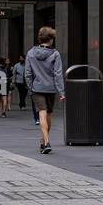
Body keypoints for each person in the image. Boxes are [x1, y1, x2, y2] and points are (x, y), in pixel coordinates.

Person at [25, 26, 66, 155]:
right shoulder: (55, 54)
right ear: (51, 40)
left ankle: (45, 141)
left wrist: (31, 87)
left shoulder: (31, 53)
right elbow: (58, 74)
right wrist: (61, 91)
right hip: (50, 88)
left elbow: (28, 73)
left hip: (37, 88)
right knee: (48, 114)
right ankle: (46, 141)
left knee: (41, 114)